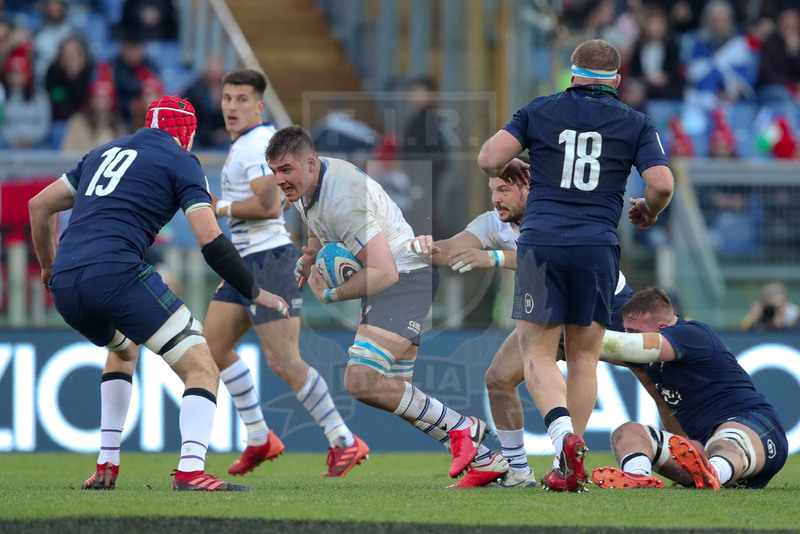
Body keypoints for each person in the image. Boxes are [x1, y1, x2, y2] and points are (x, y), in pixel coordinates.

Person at [28, 95, 290, 492]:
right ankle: (190, 472)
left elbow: (38, 206)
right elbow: (210, 239)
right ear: (187, 135)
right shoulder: (181, 161)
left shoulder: (102, 152)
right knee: (201, 366)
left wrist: (49, 267)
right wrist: (254, 290)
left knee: (123, 350)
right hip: (117, 273)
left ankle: (106, 465)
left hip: (66, 284)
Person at [476, 38, 674, 492]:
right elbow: (661, 183)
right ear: (617, 81)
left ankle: (561, 436)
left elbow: (488, 158)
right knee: (585, 358)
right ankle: (571, 463)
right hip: (597, 245)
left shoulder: (539, 109)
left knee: (538, 355)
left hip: (542, 242)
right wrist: (650, 210)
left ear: (572, 74)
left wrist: (515, 165)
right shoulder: (636, 122)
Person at [266, 125, 491, 484]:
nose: (279, 180)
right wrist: (311, 255)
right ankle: (487, 461)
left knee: (361, 380)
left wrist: (331, 295)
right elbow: (317, 226)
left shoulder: (343, 198)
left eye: (286, 170)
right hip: (391, 281)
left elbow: (384, 272)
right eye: (275, 171)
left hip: (403, 278)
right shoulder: (310, 183)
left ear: (310, 162)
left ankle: (463, 428)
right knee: (392, 392)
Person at [407, 155, 639, 488]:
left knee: (654, 375)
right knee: (498, 378)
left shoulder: (558, 210)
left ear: (529, 187)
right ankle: (519, 470)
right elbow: (450, 250)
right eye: (492, 190)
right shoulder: (493, 222)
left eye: (504, 189)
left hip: (607, 303)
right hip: (548, 307)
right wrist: (422, 247)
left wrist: (493, 257)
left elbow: (553, 259)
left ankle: (687, 448)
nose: (495, 198)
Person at [206, 69, 362, 478]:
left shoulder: (257, 143)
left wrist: (218, 206)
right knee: (215, 344)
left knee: (282, 360)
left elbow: (269, 207)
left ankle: (344, 439)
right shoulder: (245, 145)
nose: (232, 106)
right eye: (227, 98)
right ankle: (259, 437)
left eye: (242, 99)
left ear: (259, 106)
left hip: (269, 258)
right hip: (244, 259)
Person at [591, 286, 788, 490]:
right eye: (626, 331)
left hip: (754, 428)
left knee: (724, 441)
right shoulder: (650, 360)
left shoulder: (692, 334)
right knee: (627, 433)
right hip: (700, 450)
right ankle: (639, 477)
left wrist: (572, 334)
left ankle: (713, 472)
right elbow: (592, 351)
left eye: (634, 333)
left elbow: (624, 346)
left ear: (663, 327)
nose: (627, 335)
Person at [60, 78, 127, 153]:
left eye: (105, 99)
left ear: (112, 102)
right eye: (97, 98)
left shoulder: (117, 126)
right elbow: (66, 151)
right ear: (91, 100)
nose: (100, 102)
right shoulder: (78, 122)